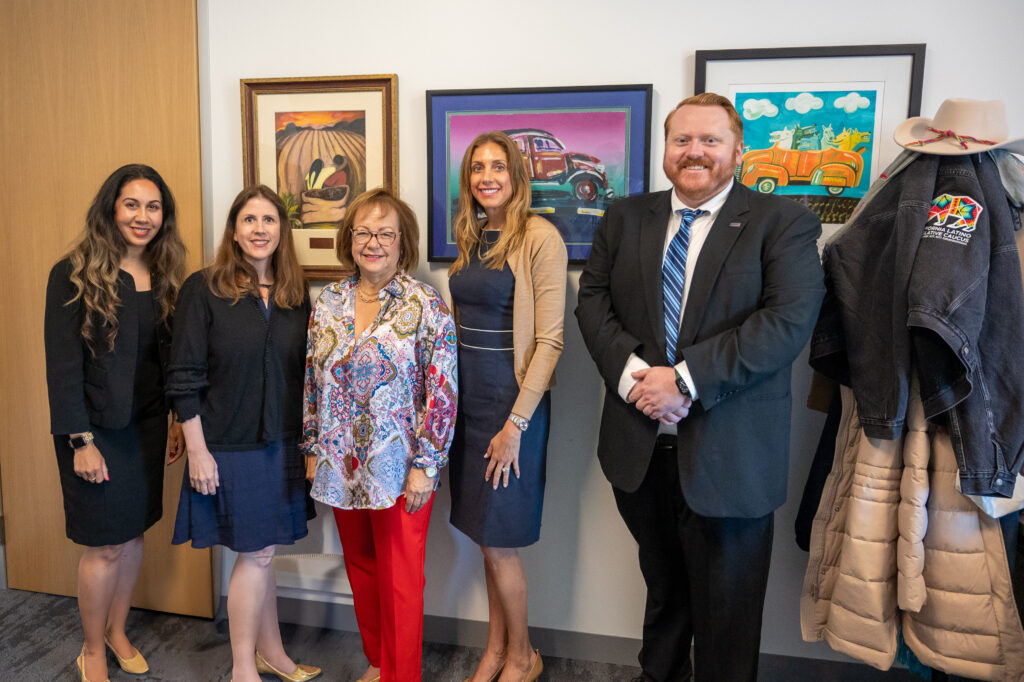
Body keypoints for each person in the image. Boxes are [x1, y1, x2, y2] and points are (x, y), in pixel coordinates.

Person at [575, 93, 825, 682]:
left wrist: (685, 380)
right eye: (682, 139)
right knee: (664, 590)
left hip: (731, 455)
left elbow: (787, 322)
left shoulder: (782, 222)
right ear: (665, 150)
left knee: (728, 612)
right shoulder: (624, 217)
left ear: (738, 150)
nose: (695, 152)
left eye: (710, 140)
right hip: (641, 447)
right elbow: (593, 301)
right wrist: (639, 379)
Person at [303, 188, 458, 682]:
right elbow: (311, 377)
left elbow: (443, 389)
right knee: (362, 568)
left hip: (400, 466)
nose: (373, 242)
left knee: (401, 580)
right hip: (339, 461)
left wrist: (426, 465)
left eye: (384, 233)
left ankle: (403, 674)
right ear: (349, 238)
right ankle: (379, 660)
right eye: (363, 232)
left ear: (402, 241)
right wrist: (311, 446)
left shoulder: (424, 303)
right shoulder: (328, 301)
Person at [168, 185, 320, 682]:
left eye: (269, 220)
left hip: (282, 442)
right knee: (256, 554)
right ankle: (241, 670)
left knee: (266, 550)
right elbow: (183, 374)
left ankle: (271, 654)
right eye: (249, 219)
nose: (259, 229)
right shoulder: (204, 288)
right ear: (234, 230)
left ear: (282, 230)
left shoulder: (297, 296)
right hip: (228, 445)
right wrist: (197, 450)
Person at [44, 163, 187, 682]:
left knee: (132, 536)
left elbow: (168, 357)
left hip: (147, 427)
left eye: (153, 207)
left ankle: (117, 630)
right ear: (111, 207)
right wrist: (79, 440)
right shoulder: (73, 273)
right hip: (94, 430)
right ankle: (92, 649)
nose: (142, 217)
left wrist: (175, 418)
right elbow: (61, 366)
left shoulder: (167, 274)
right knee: (104, 543)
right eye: (132, 204)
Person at [448, 131, 566, 682]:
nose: (487, 176)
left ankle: (524, 656)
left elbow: (550, 341)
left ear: (517, 175)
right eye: (477, 167)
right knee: (483, 536)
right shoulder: (470, 236)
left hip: (512, 406)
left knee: (501, 541)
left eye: (498, 166)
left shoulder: (539, 237)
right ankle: (495, 650)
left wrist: (516, 424)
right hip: (467, 406)